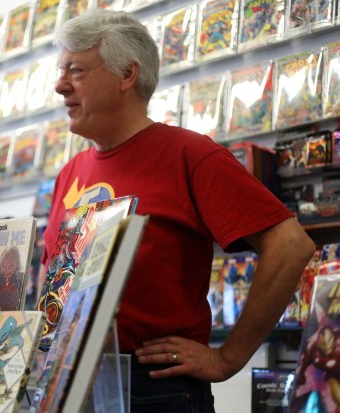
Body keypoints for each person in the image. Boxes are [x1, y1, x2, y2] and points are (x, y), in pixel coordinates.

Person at [42, 9, 316, 412]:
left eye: (76, 70)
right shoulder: (70, 172)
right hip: (66, 380)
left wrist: (228, 358)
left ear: (127, 75)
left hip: (154, 388)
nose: (59, 85)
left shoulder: (189, 154)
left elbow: (290, 244)